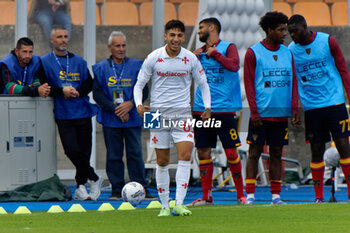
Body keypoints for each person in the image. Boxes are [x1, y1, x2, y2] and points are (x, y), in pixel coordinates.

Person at [134, 20, 211, 216]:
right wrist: (139, 104)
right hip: (156, 114)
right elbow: (138, 84)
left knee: (185, 156)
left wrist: (207, 107)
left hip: (182, 113)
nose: (175, 39)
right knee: (161, 161)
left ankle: (179, 203)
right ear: (165, 36)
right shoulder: (154, 57)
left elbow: (203, 84)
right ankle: (164, 206)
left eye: (179, 35)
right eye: (172, 35)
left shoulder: (190, 58)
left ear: (184, 37)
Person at [288, 14, 350, 203]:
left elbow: (343, 69)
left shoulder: (327, 41)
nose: (292, 35)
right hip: (312, 108)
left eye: (295, 31)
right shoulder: (291, 50)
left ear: (305, 27)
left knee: (343, 147)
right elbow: (294, 81)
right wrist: (295, 109)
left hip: (335, 103)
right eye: (289, 32)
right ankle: (318, 197)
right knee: (316, 150)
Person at [39, 25, 102, 201]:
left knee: (85, 151)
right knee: (71, 150)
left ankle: (81, 186)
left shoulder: (79, 61)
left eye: (66, 36)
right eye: (59, 37)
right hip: (63, 113)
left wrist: (78, 92)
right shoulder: (44, 62)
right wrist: (62, 92)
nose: (63, 40)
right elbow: (44, 86)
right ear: (52, 40)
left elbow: (89, 84)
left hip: (82, 111)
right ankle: (95, 177)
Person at [188, 17, 245, 206]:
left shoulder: (228, 47)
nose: (199, 31)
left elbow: (234, 65)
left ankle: (240, 195)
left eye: (201, 27)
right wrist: (190, 57)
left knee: (231, 152)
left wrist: (215, 54)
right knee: (203, 151)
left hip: (225, 109)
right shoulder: (198, 52)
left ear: (212, 28)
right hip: (201, 109)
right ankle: (207, 196)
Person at [243, 12, 300, 205]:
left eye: (286, 29)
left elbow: (293, 82)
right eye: (281, 29)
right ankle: (250, 195)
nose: (285, 33)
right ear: (269, 30)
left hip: (281, 114)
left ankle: (276, 196)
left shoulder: (288, 53)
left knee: (277, 153)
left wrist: (294, 109)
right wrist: (254, 112)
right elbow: (249, 85)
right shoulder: (253, 52)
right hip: (260, 114)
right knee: (254, 152)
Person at [92, 31, 155, 200]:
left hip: (132, 117)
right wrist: (116, 109)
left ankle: (141, 188)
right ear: (109, 47)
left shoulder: (136, 65)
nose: (121, 49)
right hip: (111, 119)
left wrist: (130, 104)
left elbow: (145, 89)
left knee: (135, 154)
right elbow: (97, 94)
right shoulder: (100, 68)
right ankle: (116, 189)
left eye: (123, 45)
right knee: (114, 155)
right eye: (117, 46)